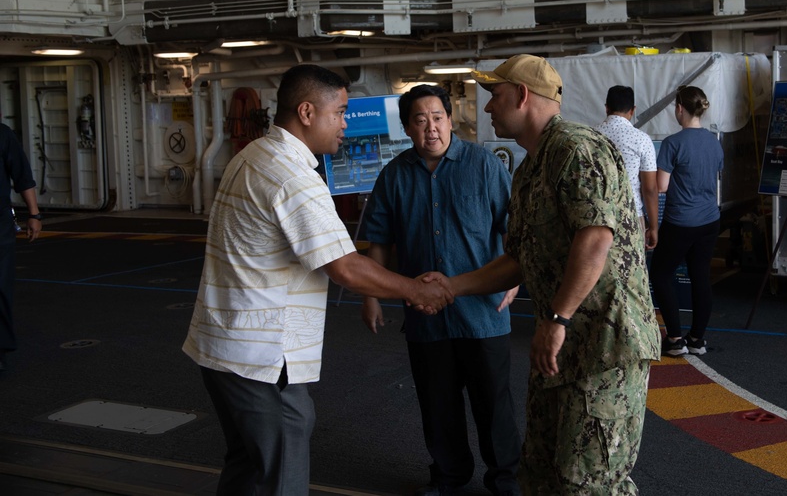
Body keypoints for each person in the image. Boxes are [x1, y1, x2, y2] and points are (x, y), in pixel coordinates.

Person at [182, 64, 453, 495]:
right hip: (263, 359)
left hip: (224, 350)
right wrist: (418, 290)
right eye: (341, 112)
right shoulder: (293, 178)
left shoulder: (252, 155)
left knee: (249, 465)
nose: (346, 123)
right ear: (307, 112)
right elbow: (345, 266)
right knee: (280, 470)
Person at [426, 54, 660, 495]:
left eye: (495, 96)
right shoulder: (532, 165)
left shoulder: (575, 148)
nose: (489, 107)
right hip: (562, 347)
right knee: (539, 473)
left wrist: (556, 320)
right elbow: (518, 260)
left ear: (522, 95)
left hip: (603, 347)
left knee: (588, 483)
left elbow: (595, 238)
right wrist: (451, 287)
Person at [358, 84, 521, 496]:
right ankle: (449, 477)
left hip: (483, 313)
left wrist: (515, 280)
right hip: (425, 318)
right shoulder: (394, 175)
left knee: (494, 405)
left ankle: (506, 480)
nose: (430, 128)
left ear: (450, 119)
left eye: (437, 117)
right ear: (407, 128)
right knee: (437, 404)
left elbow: (514, 230)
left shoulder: (483, 165)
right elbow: (379, 240)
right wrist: (371, 295)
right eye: (419, 120)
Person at [649, 85, 724, 357]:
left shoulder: (673, 143)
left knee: (660, 273)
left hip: (680, 222)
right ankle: (697, 339)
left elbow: (662, 186)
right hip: (709, 221)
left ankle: (675, 339)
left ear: (680, 108)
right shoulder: (714, 142)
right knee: (701, 276)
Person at [595, 85, 659, 251]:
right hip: (630, 215)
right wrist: (653, 227)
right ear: (633, 110)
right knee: (632, 273)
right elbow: (650, 189)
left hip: (596, 217)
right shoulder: (642, 140)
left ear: (606, 108)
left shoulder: (591, 136)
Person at [1, 122, 42, 373]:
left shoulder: (3, 135)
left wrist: (34, 214)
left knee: (0, 288)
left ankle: (1, 350)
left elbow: (22, 175)